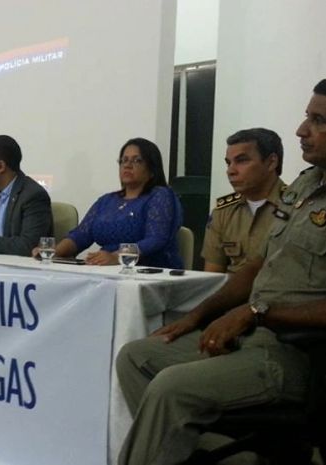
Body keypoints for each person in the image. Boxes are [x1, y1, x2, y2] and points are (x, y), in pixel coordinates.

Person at [115, 79, 326, 465]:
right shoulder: (307, 185)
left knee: (171, 388)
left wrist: (255, 313)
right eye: (306, 117)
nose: (301, 130)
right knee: (135, 356)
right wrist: (196, 316)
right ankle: (220, 455)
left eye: (318, 121)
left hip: (297, 352)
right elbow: (258, 264)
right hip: (253, 332)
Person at [37, 138, 182, 268]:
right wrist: (53, 252)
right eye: (124, 160)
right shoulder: (107, 200)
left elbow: (156, 239)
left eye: (137, 160)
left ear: (152, 170)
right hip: (108, 270)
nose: (127, 165)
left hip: (148, 271)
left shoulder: (160, 196)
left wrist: (117, 257)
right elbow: (81, 235)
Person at [202, 128, 286, 273]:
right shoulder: (223, 211)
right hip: (231, 287)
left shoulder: (296, 208)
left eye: (241, 161)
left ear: (271, 162)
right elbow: (212, 275)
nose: (231, 171)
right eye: (228, 163)